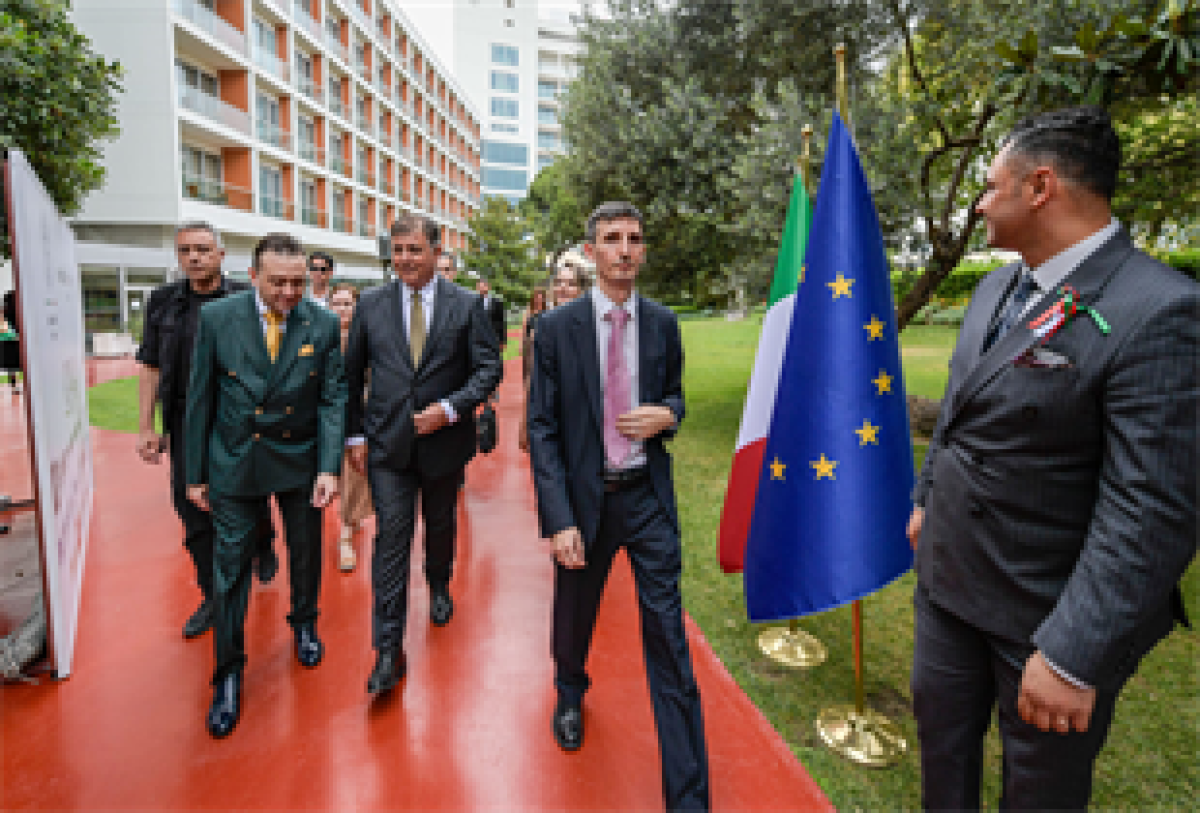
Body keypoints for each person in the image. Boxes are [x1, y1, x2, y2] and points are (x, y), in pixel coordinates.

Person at [908, 106, 1200, 812]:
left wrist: (1074, 652)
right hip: (948, 584)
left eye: (989, 186)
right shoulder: (993, 289)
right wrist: (925, 498)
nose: (979, 204)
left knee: (1039, 793)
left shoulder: (1159, 309)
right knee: (942, 760)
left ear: (1039, 187)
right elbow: (955, 413)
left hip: (1044, 614)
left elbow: (1153, 507)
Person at [527, 202, 710, 812]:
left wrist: (669, 415)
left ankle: (689, 796)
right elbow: (542, 428)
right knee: (575, 614)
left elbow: (676, 398)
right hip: (586, 504)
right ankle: (569, 689)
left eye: (634, 238)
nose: (625, 249)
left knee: (669, 641)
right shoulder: (557, 330)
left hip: (647, 499)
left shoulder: (662, 324)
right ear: (591, 252)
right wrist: (559, 520)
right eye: (612, 239)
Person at [185, 233, 346, 738]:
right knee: (230, 567)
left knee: (305, 551)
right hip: (236, 458)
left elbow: (332, 398)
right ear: (253, 275)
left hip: (300, 458)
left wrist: (329, 467)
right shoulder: (218, 318)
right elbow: (199, 398)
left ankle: (304, 622)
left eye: (298, 282)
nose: (289, 292)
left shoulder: (322, 322)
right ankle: (228, 672)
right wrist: (195, 474)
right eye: (278, 282)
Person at [343, 214, 502, 696]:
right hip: (387, 446)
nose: (405, 259)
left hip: (444, 445)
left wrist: (451, 409)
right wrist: (354, 437)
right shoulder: (371, 304)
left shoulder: (466, 305)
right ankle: (388, 650)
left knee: (440, 525)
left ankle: (438, 584)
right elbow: (350, 376)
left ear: (436, 250)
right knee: (391, 539)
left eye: (414, 249)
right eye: (398, 250)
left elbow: (488, 368)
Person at [135, 222, 277, 640]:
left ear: (220, 254)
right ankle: (213, 598)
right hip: (184, 422)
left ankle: (263, 542)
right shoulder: (163, 303)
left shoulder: (245, 299)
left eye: (202, 249)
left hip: (238, 421)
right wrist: (146, 426)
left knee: (250, 498)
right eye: (185, 250)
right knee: (192, 509)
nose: (193, 257)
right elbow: (150, 366)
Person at [329, 283, 372, 573]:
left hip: (358, 417)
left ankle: (346, 532)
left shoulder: (366, 338)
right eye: (337, 303)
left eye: (347, 303)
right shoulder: (322, 337)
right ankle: (349, 522)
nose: (342, 309)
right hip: (328, 417)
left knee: (354, 474)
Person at [517, 286, 548, 452]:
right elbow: (524, 330)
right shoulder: (528, 313)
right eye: (536, 296)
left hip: (542, 347)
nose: (538, 299)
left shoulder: (548, 312)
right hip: (529, 348)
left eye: (541, 296)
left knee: (536, 380)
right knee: (528, 380)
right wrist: (521, 345)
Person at [476, 277, 507, 358]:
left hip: (494, 337)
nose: (481, 289)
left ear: (489, 287)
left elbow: (502, 322)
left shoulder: (497, 302)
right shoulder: (473, 302)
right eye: (479, 287)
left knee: (494, 359)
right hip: (478, 338)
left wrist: (503, 341)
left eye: (483, 286)